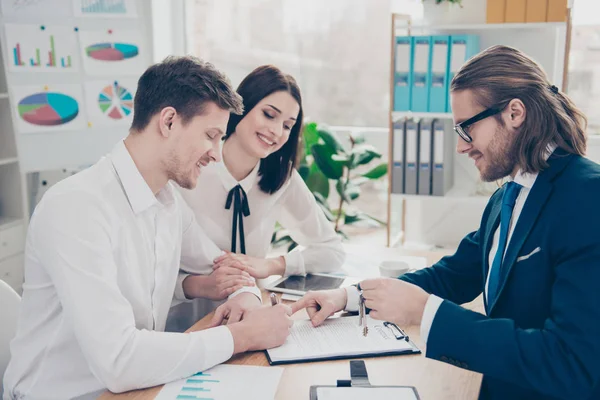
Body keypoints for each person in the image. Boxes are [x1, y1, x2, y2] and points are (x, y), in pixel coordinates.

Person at [291, 45, 600, 400]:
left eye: (466, 129)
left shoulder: (588, 197)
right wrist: (348, 297)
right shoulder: (507, 197)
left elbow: (572, 363)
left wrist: (425, 312)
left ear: (515, 112)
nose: (461, 147)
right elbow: (450, 276)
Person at [3, 56, 292, 400]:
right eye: (211, 136)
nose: (216, 154)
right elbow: (120, 360)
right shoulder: (76, 207)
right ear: (169, 121)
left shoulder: (168, 201)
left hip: (136, 387)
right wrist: (244, 335)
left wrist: (243, 295)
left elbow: (221, 265)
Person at [176, 65, 345, 326]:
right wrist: (204, 285)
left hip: (251, 322)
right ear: (241, 106)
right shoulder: (193, 167)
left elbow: (332, 251)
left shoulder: (279, 176)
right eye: (269, 115)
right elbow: (158, 269)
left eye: (288, 126)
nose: (277, 132)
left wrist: (271, 265)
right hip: (188, 326)